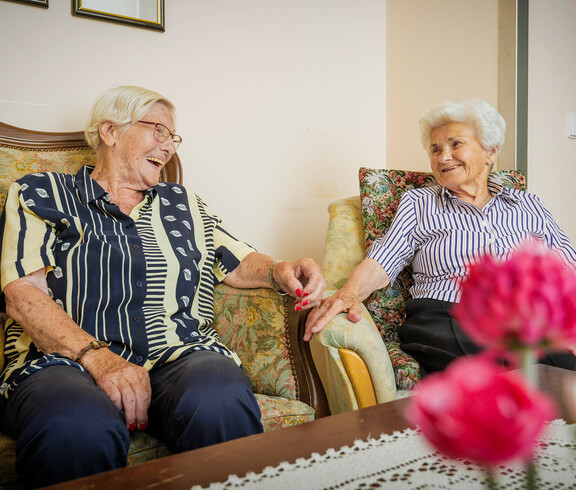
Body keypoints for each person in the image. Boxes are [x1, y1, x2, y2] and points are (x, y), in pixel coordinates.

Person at [0, 85, 326, 488]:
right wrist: (99, 360)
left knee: (219, 398)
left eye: (173, 137)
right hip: (66, 363)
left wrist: (283, 268)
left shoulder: (183, 203)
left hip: (177, 357)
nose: (169, 146)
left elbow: (236, 260)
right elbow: (21, 293)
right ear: (109, 131)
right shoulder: (42, 192)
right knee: (74, 427)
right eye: (158, 131)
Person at [305, 98, 576, 375]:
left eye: (456, 144)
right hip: (447, 316)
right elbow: (383, 261)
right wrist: (349, 292)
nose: (443, 156)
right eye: (435, 149)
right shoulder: (419, 202)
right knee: (489, 365)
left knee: (564, 365)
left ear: (490, 151)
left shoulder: (528, 205)